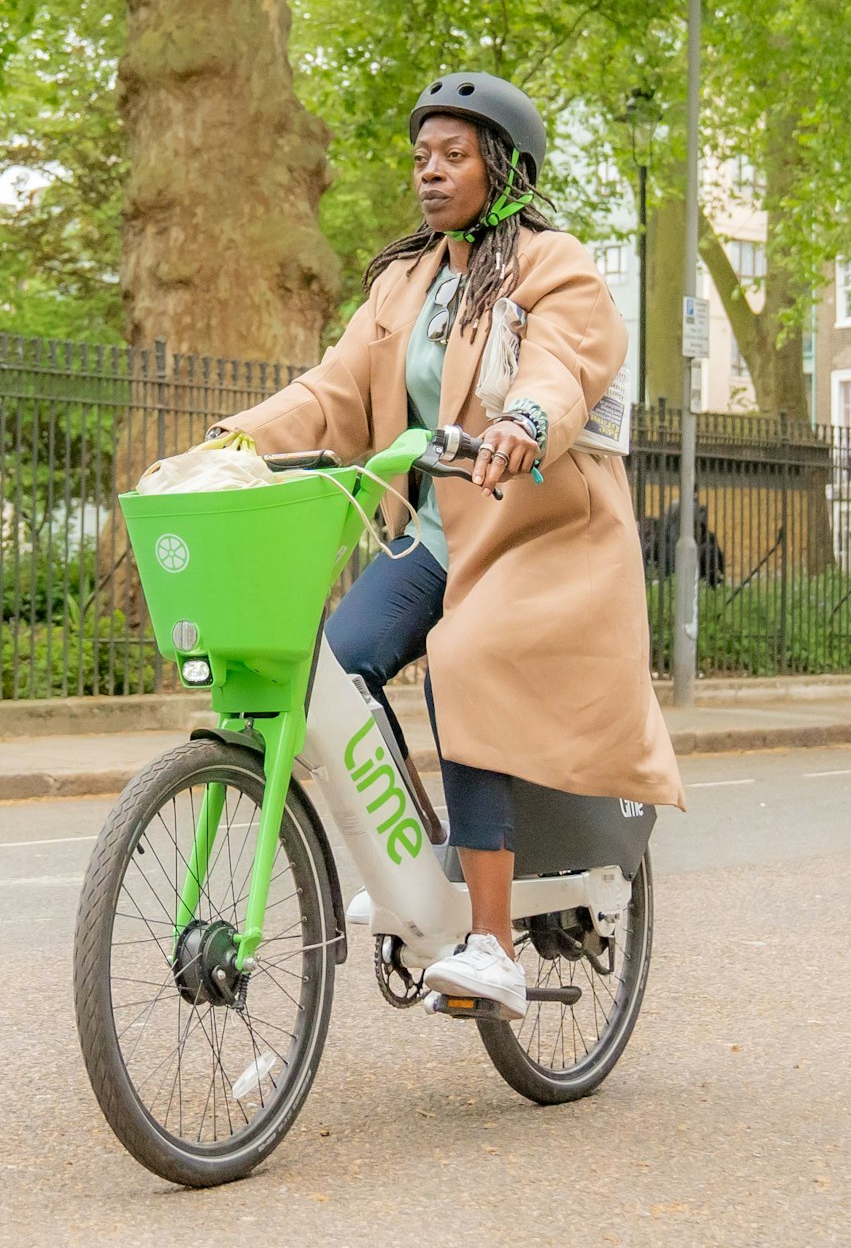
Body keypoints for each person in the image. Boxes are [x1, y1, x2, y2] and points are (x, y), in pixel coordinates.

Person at [208, 68, 680, 1015]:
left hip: (533, 530)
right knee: (329, 670)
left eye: (453, 155)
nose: (430, 171)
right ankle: (416, 858)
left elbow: (566, 363)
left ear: (501, 168)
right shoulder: (403, 283)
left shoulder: (555, 266)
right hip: (431, 531)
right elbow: (332, 393)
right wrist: (239, 441)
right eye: (421, 156)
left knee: (467, 659)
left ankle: (494, 942)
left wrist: (526, 424)